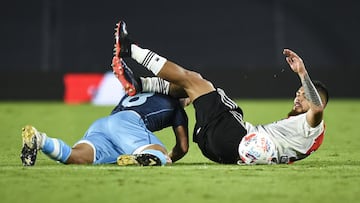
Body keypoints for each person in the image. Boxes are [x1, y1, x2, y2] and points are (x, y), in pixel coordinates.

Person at [111, 20, 329, 164]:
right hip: (218, 151)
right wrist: (167, 158)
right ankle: (141, 84)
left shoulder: (313, 125)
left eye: (304, 95)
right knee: (194, 89)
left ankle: (130, 49)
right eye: (299, 92)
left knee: (194, 80)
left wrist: (302, 72)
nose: (299, 96)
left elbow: (316, 105)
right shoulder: (300, 133)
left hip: (234, 138)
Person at [20, 62, 189, 167]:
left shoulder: (141, 91)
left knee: (76, 156)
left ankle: (40, 140)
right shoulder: (177, 107)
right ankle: (145, 157)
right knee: (161, 155)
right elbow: (182, 147)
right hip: (128, 124)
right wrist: (170, 157)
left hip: (104, 124)